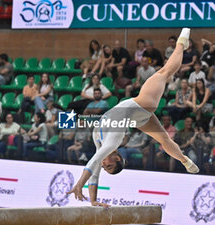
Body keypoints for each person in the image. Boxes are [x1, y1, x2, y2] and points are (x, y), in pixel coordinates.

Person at [67, 28, 199, 207]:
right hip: (140, 108)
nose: (105, 165)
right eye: (109, 166)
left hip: (135, 112)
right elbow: (95, 162)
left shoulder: (102, 146)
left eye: (106, 168)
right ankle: (181, 44)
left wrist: (93, 201)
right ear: (118, 158)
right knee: (164, 73)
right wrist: (79, 185)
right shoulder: (111, 144)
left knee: (164, 136)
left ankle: (184, 160)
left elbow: (95, 170)